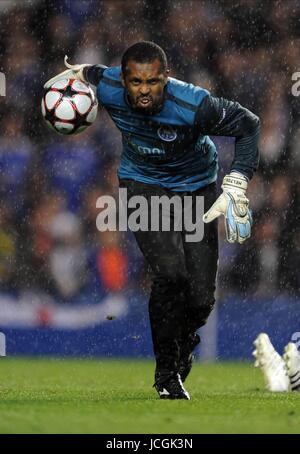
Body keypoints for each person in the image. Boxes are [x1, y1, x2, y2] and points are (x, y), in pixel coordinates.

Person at [45, 41, 260, 400]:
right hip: (143, 185)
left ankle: (183, 341)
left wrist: (237, 180)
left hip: (196, 189)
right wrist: (74, 72)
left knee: (202, 297)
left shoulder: (196, 105)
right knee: (170, 273)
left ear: (166, 77)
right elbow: (89, 72)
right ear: (124, 80)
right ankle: (167, 374)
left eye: (153, 82)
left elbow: (249, 125)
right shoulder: (109, 85)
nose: (144, 90)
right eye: (135, 82)